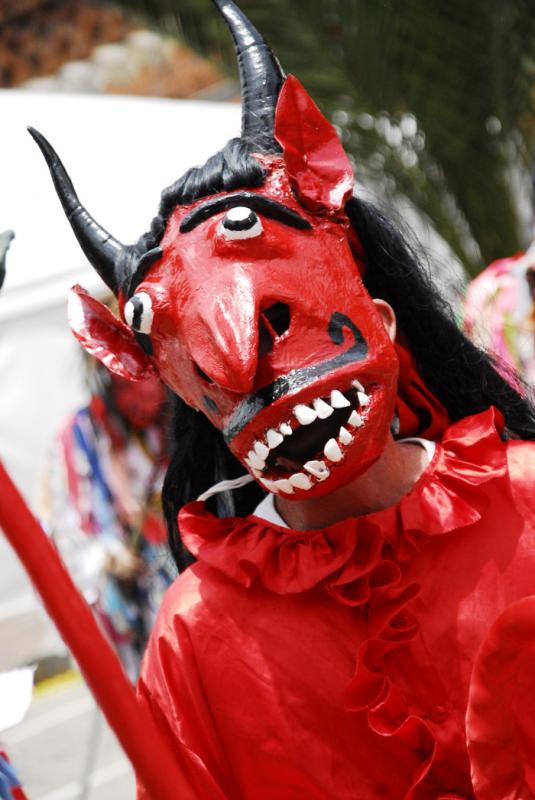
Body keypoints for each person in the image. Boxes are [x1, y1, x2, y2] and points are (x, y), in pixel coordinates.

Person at [31, 1, 535, 797]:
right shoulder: (197, 638)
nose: (244, 368)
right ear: (190, 400)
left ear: (383, 317)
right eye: (208, 367)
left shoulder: (526, 498)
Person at [40, 348, 176, 679]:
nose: (142, 394)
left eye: (146, 378)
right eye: (125, 383)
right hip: (141, 601)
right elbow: (70, 526)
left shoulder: (179, 417)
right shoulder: (82, 435)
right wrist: (106, 556)